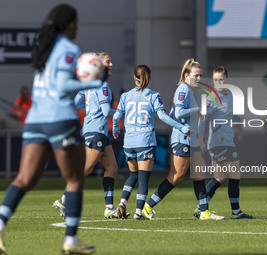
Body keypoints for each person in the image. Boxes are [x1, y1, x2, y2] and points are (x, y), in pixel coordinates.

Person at [0, 4, 102, 254]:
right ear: (69, 24)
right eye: (76, 22)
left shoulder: (43, 47)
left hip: (36, 118)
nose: (77, 27)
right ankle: (70, 241)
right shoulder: (68, 48)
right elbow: (62, 84)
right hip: (60, 118)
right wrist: (94, 82)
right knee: (76, 178)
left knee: (24, 179)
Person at [142, 59, 225, 220]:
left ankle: (204, 212)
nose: (199, 78)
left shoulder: (188, 89)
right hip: (182, 138)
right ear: (186, 75)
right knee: (177, 176)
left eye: (201, 75)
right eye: (196, 75)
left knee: (199, 174)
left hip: (191, 139)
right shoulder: (183, 89)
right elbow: (178, 113)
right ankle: (147, 206)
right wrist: (198, 109)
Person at [112, 65, 190, 220]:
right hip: (145, 140)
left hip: (128, 142)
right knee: (143, 178)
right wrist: (181, 126)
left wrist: (115, 128)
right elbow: (163, 116)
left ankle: (121, 203)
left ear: (134, 78)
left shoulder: (125, 96)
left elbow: (115, 117)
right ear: (149, 77)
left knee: (132, 175)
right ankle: (138, 213)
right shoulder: (154, 95)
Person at [53, 52, 118, 219]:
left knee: (112, 167)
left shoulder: (90, 84)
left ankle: (109, 207)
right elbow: (105, 111)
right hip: (96, 131)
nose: (111, 64)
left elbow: (74, 102)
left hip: (96, 131)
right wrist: (122, 111)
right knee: (86, 169)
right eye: (108, 61)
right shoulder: (103, 85)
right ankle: (64, 199)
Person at [194, 66, 255, 219]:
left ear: (227, 79)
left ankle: (202, 206)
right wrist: (200, 139)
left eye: (221, 79)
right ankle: (235, 212)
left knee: (220, 178)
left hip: (228, 141)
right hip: (217, 143)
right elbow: (202, 120)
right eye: (215, 80)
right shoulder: (211, 98)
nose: (218, 82)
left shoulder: (231, 96)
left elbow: (234, 115)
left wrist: (240, 116)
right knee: (234, 175)